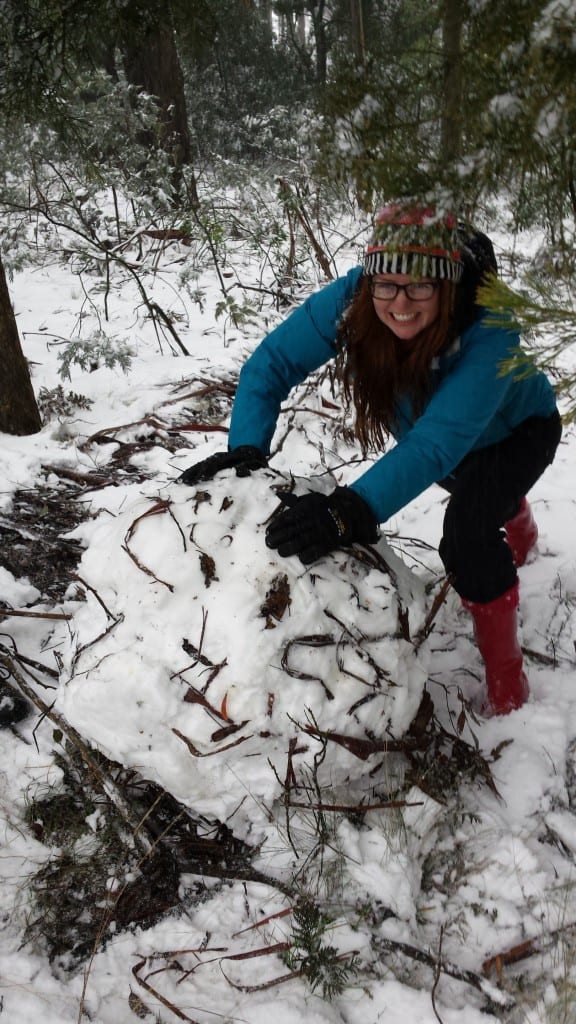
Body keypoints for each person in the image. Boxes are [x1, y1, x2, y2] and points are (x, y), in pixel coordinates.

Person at [179, 204, 561, 716]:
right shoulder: (356, 301)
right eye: (387, 284)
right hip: (442, 441)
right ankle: (515, 519)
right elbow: (270, 365)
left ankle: (509, 687)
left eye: (420, 286)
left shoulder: (489, 327)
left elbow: (434, 445)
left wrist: (347, 511)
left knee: (469, 536)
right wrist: (246, 450)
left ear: (446, 286)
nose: (400, 302)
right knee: (478, 491)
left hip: (518, 432)